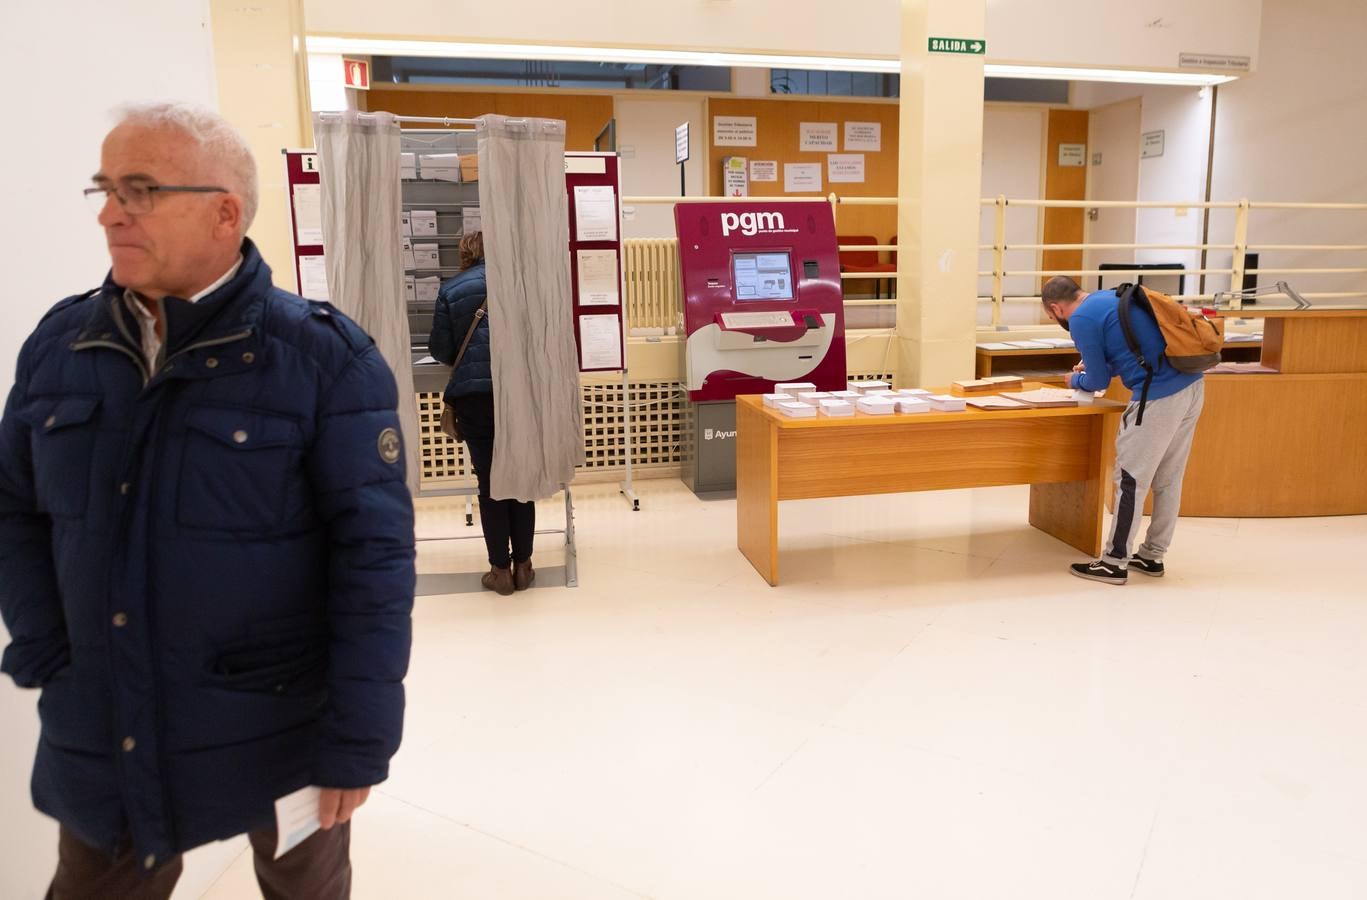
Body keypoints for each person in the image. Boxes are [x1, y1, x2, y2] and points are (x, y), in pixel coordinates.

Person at [0, 102, 415, 898]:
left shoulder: (324, 363)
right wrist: (50, 646)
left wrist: (357, 742)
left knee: (305, 889)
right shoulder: (62, 348)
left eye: (141, 189)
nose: (111, 213)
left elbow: (375, 561)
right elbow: (14, 507)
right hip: (105, 718)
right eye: (105, 188)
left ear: (226, 212)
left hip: (279, 725)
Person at [1041, 275, 1205, 586]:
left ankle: (1114, 562)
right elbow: (1132, 352)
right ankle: (1152, 555)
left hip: (1156, 396)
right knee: (1169, 477)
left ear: (1055, 308)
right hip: (1191, 386)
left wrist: (1073, 380)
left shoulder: (1080, 319)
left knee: (1130, 479)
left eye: (1052, 317)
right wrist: (1099, 365)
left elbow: (1098, 381)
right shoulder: (1110, 298)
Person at [429, 232, 536, 596]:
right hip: (516, 395)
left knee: (490, 486)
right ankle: (524, 565)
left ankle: (499, 571)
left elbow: (441, 349)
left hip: (475, 398)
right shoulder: (518, 283)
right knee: (520, 480)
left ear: (464, 253)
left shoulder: (452, 289)